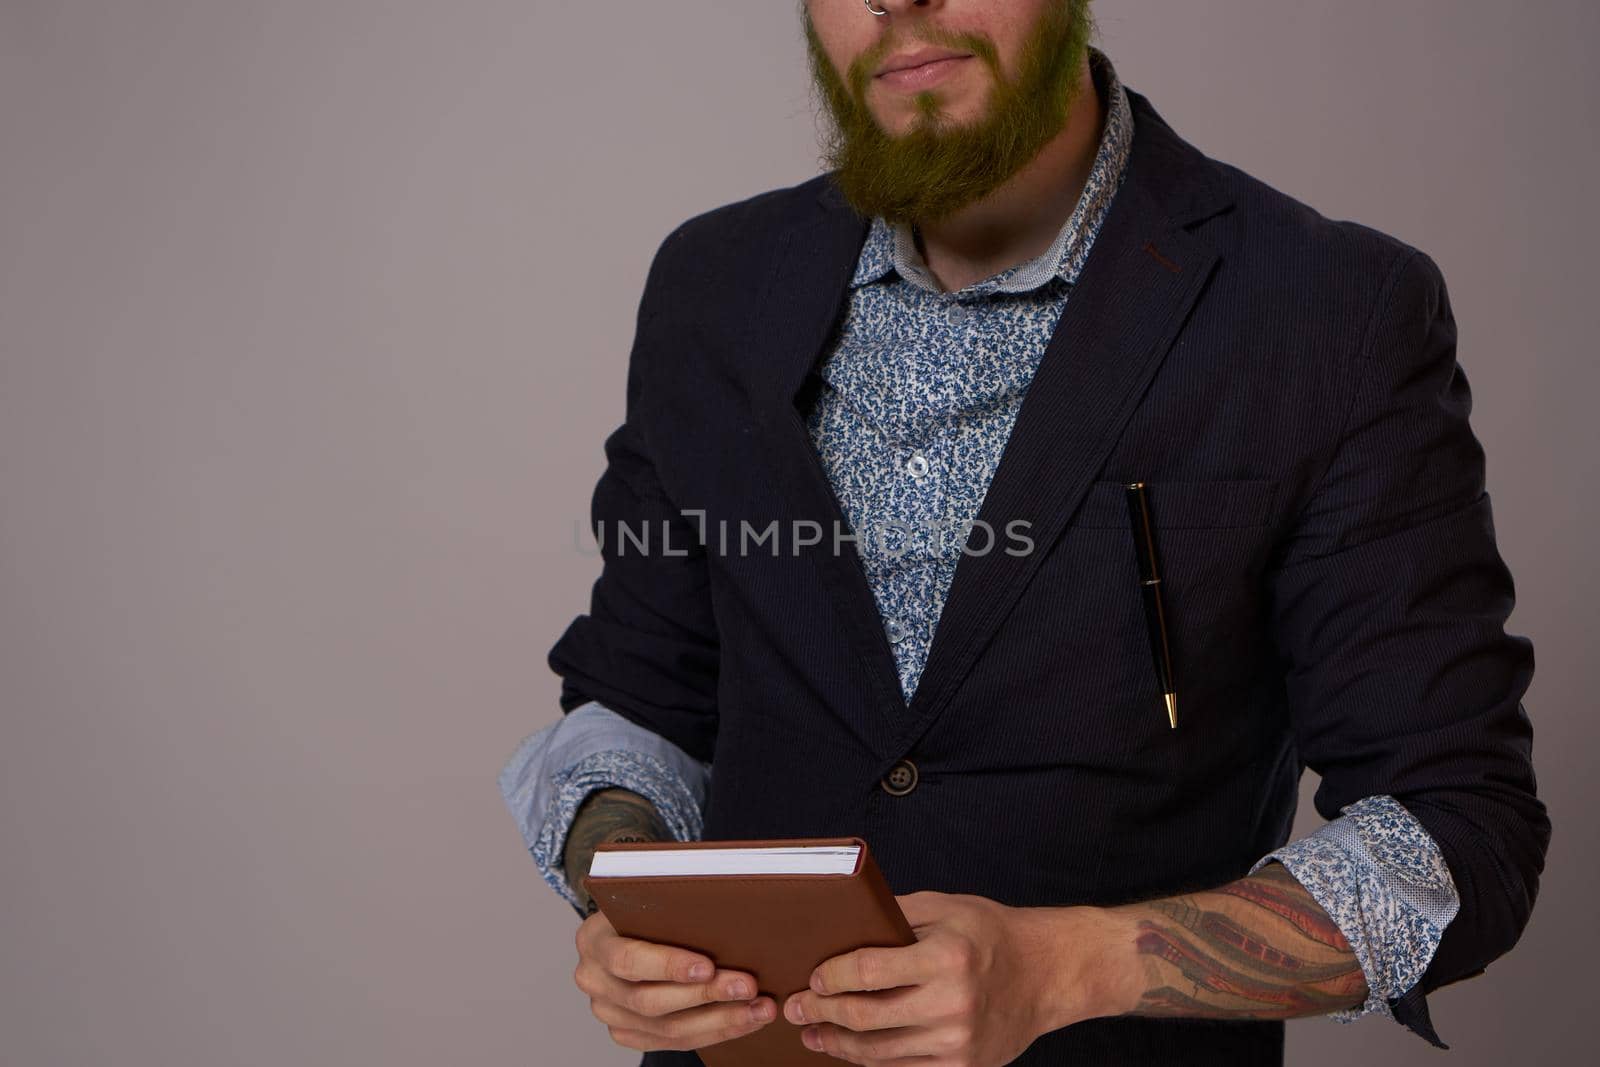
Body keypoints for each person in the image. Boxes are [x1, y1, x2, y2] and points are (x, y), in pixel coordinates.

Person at [497, 1, 1550, 1064]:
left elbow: (1456, 828)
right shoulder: (709, 282)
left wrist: (1072, 965)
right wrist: (625, 890)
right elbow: (636, 701)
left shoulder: (1329, 306)